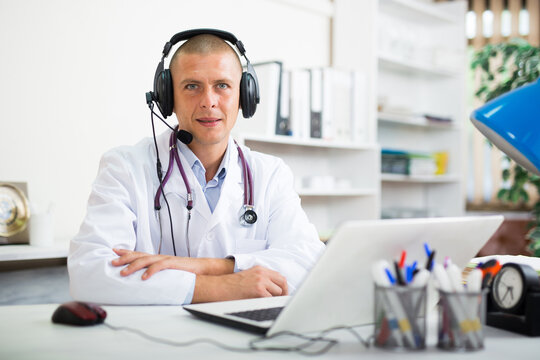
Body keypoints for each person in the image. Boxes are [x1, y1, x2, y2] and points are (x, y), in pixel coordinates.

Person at [68, 30, 325, 305]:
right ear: (167, 97)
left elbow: (310, 264)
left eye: (222, 86)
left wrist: (210, 266)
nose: (208, 101)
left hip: (246, 337)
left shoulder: (270, 173)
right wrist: (229, 286)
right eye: (192, 86)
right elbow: (91, 274)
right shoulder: (124, 167)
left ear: (245, 96)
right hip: (154, 338)